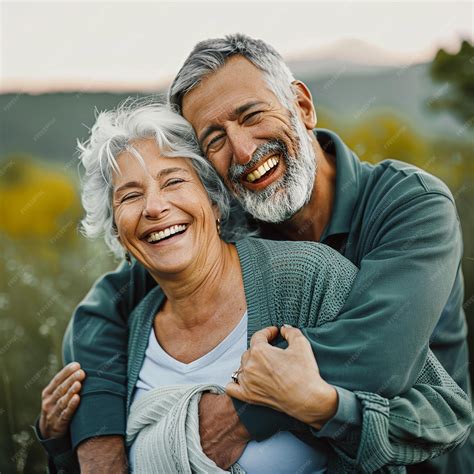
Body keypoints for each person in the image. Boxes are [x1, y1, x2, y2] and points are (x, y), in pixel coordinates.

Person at [40, 34, 472, 472]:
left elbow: (376, 358)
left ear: (302, 106)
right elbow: (104, 310)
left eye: (252, 115)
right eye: (215, 139)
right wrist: (98, 443)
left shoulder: (409, 204)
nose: (244, 151)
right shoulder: (236, 219)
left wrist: (235, 417)